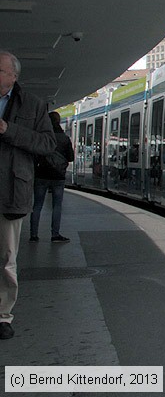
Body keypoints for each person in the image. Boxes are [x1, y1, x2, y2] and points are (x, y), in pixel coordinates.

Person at [0, 51, 56, 340]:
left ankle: (2, 316)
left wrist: (9, 130)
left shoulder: (33, 105)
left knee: (7, 257)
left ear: (13, 76)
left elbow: (47, 144)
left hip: (11, 189)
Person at [30, 111, 75, 243]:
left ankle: (33, 235)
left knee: (37, 206)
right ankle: (55, 235)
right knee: (57, 206)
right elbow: (71, 157)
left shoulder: (42, 137)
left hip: (41, 174)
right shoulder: (64, 138)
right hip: (58, 176)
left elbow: (35, 155)